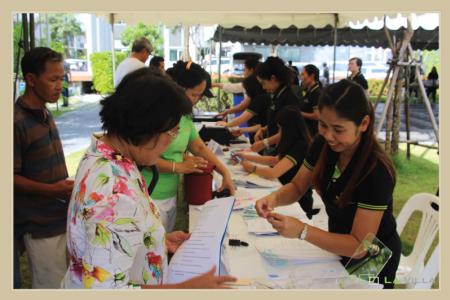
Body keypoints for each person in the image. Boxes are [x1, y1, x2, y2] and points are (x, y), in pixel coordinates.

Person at [63, 68, 236, 288]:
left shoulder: (107, 153)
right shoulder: (116, 195)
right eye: (172, 132)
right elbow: (104, 290)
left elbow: (110, 235)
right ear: (148, 126)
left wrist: (154, 241)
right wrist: (185, 290)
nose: (173, 141)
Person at [255, 79, 401, 288]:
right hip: (338, 246)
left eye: (338, 129)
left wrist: (303, 231)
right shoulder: (322, 145)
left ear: (364, 124)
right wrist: (273, 198)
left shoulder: (376, 171)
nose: (329, 136)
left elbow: (361, 245)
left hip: (374, 257)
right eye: (323, 125)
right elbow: (297, 187)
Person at [142, 61, 235, 232]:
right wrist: (178, 166)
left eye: (200, 96)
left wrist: (225, 172)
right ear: (177, 88)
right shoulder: (158, 116)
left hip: (170, 195)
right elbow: (144, 157)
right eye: (194, 95)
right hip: (149, 195)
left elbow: (199, 147)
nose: (197, 100)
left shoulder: (184, 117)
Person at [14, 47, 74, 288]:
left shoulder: (45, 112)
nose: (59, 85)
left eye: (61, 78)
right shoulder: (15, 121)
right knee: (50, 285)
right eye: (52, 79)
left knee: (67, 280)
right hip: (38, 223)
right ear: (31, 79)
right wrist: (52, 190)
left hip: (60, 216)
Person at [235, 106, 317, 218]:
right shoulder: (291, 142)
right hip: (283, 192)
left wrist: (252, 168)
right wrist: (247, 156)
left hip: (297, 202)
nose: (279, 133)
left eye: (280, 128)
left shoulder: (301, 146)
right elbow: (275, 160)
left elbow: (274, 172)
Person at [251, 56, 300, 154]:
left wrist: (264, 143)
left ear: (273, 78)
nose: (263, 88)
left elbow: (287, 131)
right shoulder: (277, 94)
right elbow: (276, 122)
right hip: (274, 146)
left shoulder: (288, 98)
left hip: (285, 151)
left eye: (263, 83)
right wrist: (264, 129)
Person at [216, 67, 271, 144]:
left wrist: (227, 124)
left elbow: (242, 118)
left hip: (263, 140)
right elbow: (261, 125)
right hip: (260, 137)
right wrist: (242, 130)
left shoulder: (259, 99)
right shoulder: (261, 97)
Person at [299, 64, 322, 137]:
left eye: (303, 74)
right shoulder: (307, 90)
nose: (301, 77)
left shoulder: (316, 93)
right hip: (305, 128)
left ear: (312, 76)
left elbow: (317, 116)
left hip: (311, 132)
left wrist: (300, 113)